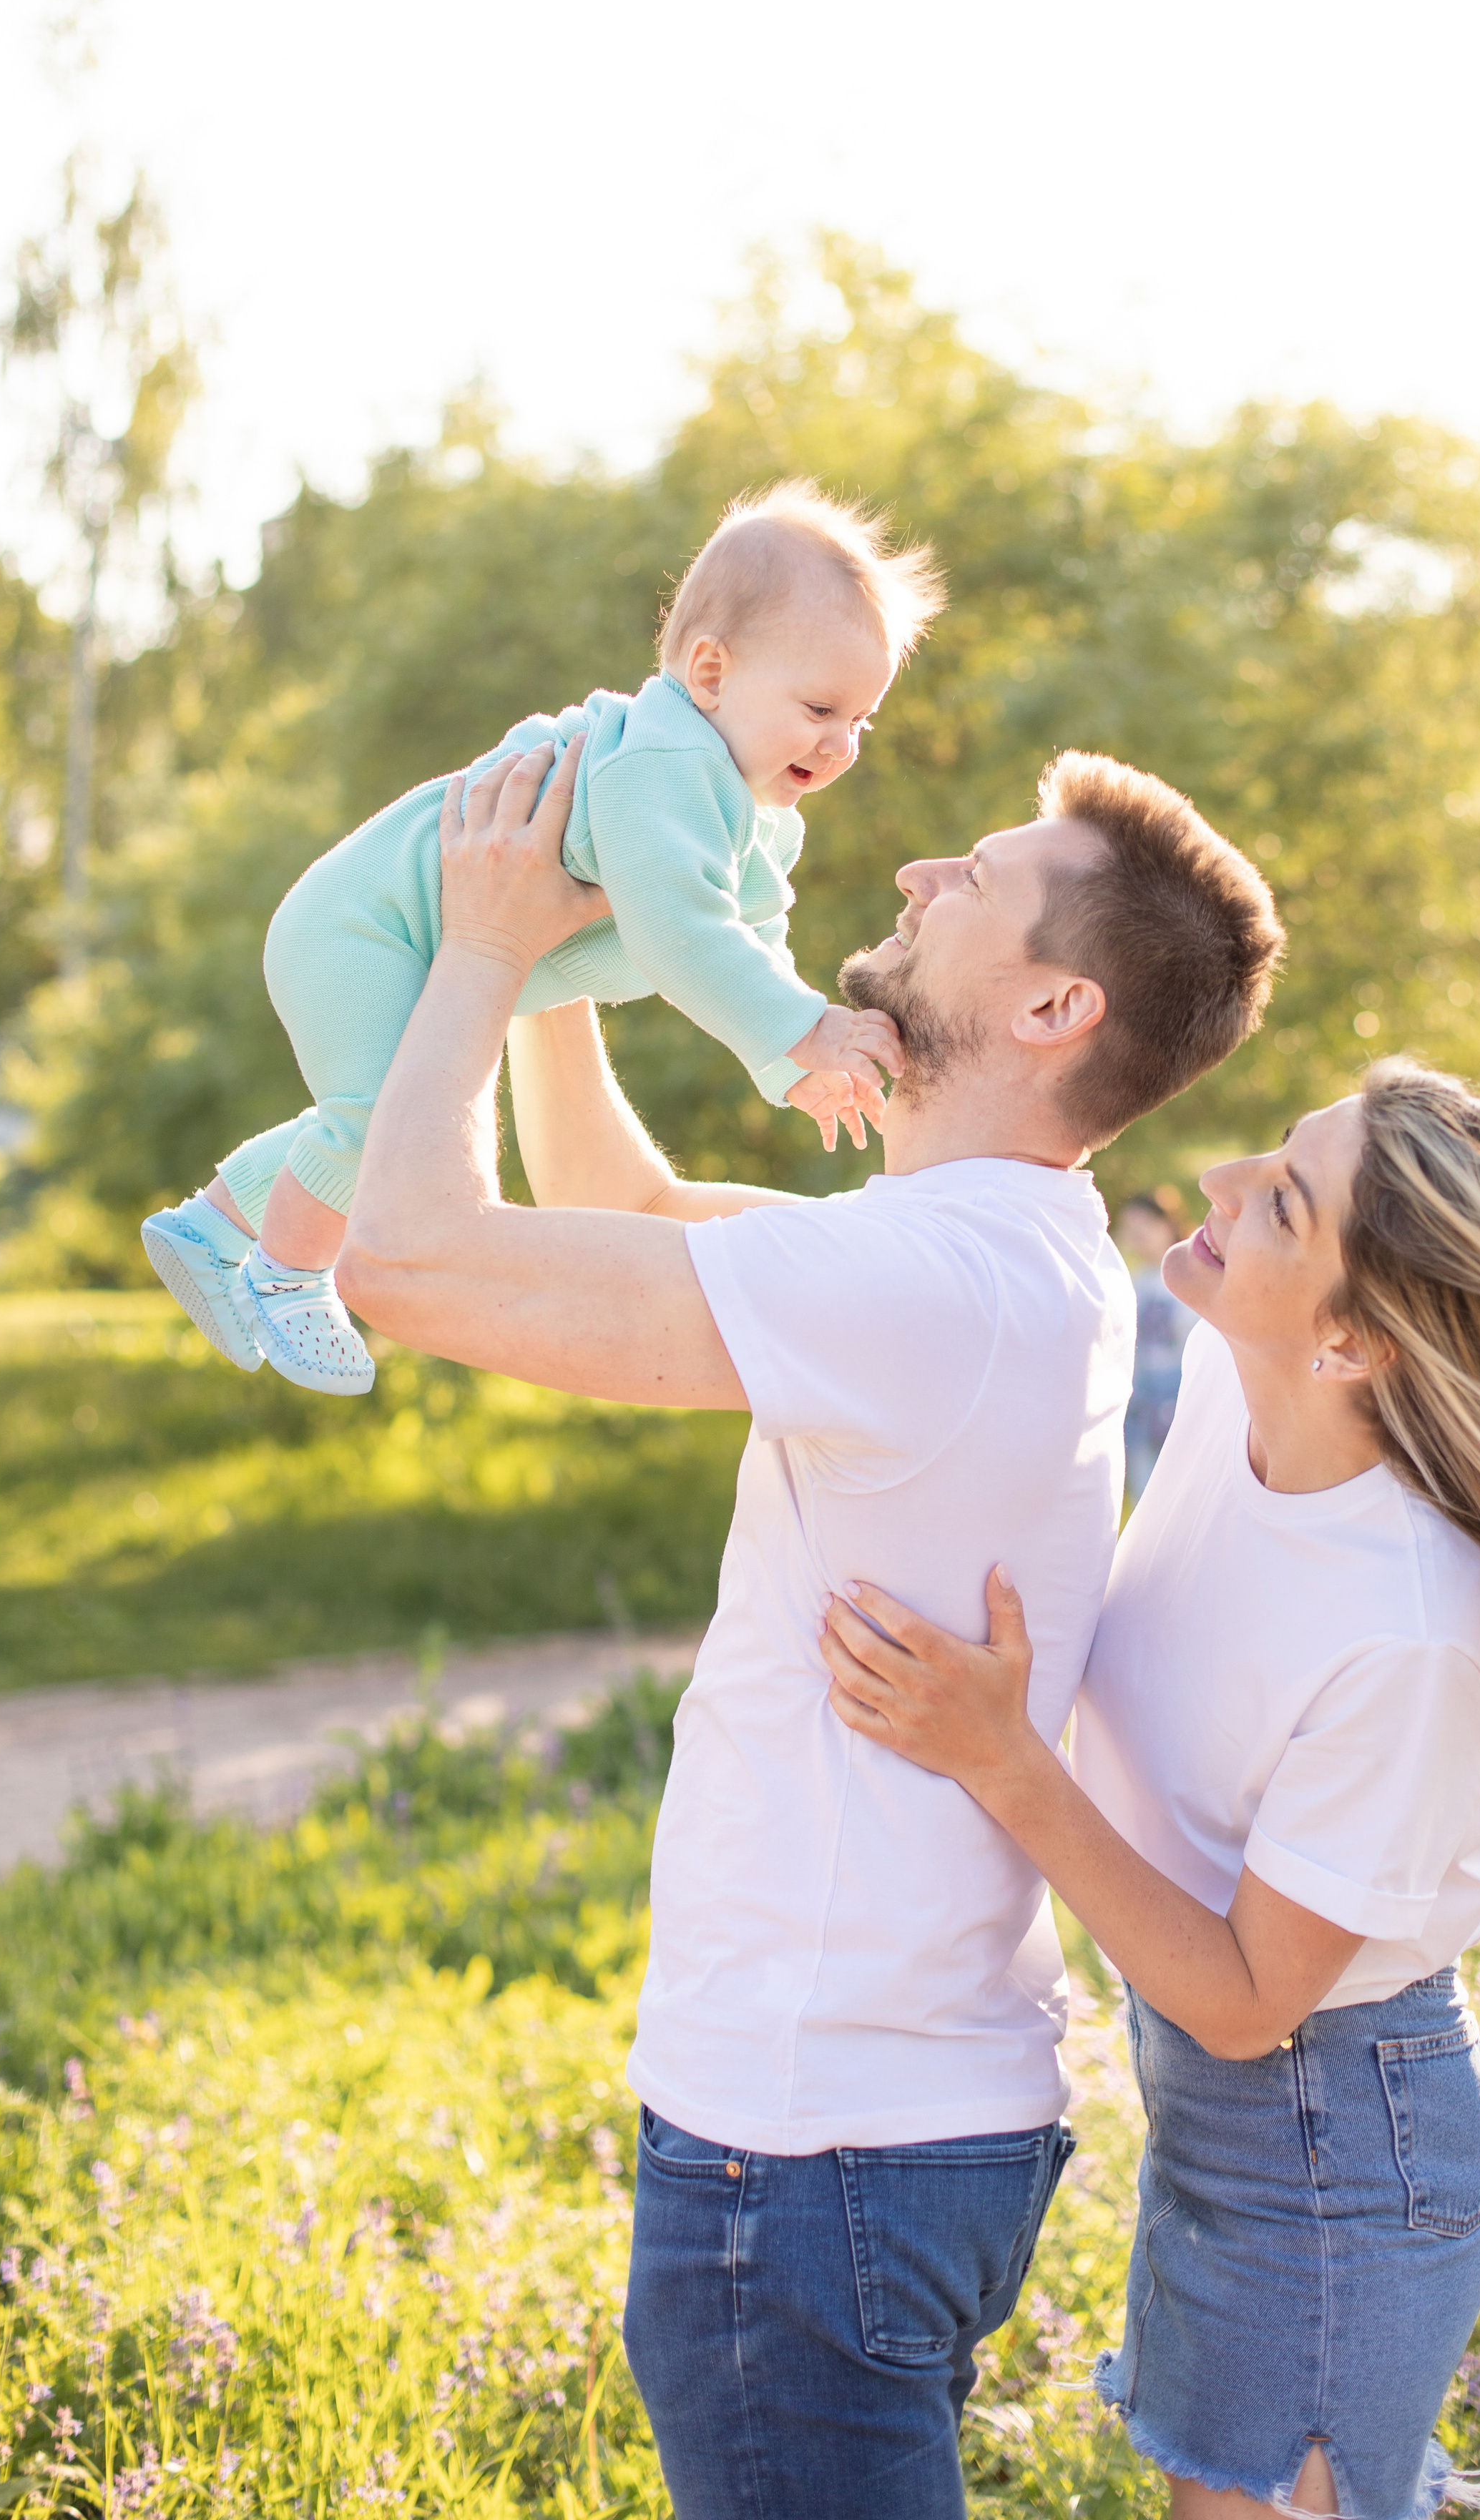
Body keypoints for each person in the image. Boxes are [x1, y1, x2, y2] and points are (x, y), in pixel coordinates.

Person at [333, 728, 1283, 2519]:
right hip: (888, 2123)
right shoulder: (993, 1248)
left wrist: (471, 943)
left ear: (1049, 1008)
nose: (918, 874)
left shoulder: (924, 1283)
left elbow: (405, 1254)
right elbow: (616, 1213)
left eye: (976, 882)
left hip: (812, 2146)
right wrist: (561, 958)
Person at [820, 1058, 1480, 2520]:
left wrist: (997, 1758)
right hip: (1225, 2119)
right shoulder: (1231, 1382)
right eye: (1273, 1154)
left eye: (1279, 1198)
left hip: (1331, 2144)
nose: (1215, 1182)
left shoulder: (1411, 1635)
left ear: (1349, 1341)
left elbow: (1242, 1996)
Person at [139, 483, 941, 1397]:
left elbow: (754, 934)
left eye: (861, 721)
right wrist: (801, 1027)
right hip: (365, 928)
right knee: (379, 1122)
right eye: (819, 710)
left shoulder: (755, 812)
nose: (842, 744)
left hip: (407, 942)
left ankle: (209, 1229)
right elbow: (682, 932)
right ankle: (288, 1274)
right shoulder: (663, 764)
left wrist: (791, 1063)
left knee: (372, 1113)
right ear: (711, 674)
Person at [1115, 1186, 1197, 1497]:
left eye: (1145, 1227)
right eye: (1131, 1230)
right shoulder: (1135, 1281)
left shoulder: (1189, 1275)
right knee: (1146, 1498)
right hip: (1141, 1406)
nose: (1138, 1237)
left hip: (1179, 1398)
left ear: (1167, 1224)